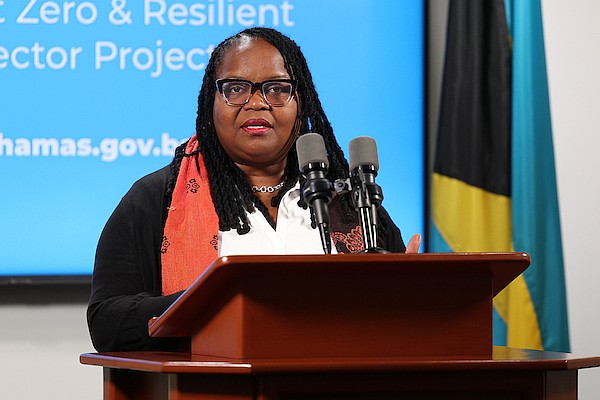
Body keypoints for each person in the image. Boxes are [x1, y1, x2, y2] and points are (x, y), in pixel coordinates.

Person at [87, 27, 421, 352]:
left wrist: (410, 293)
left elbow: (397, 319)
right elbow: (106, 321)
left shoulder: (348, 199)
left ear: (301, 102)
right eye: (236, 88)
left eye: (277, 88)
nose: (257, 103)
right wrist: (209, 302)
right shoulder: (154, 198)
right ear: (211, 102)